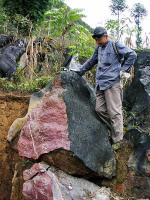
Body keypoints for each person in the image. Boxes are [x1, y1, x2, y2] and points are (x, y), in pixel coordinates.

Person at [74, 26, 137, 147]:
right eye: (95, 39)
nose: (97, 41)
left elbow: (132, 55)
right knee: (99, 110)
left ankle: (118, 141)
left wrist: (124, 70)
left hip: (112, 83)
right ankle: (116, 130)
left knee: (114, 112)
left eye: (99, 38)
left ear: (106, 36)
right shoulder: (98, 49)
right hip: (100, 84)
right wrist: (79, 71)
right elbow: (91, 62)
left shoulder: (115, 45)